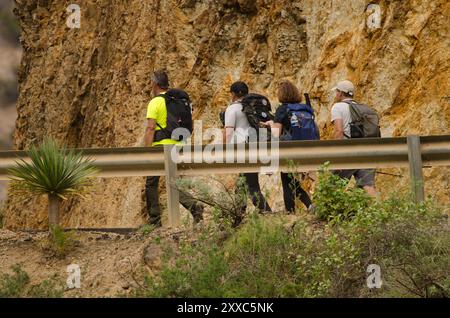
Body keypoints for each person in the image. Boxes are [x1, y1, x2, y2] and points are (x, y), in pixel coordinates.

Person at [144, 70, 204, 226]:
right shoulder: (175, 101)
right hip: (177, 145)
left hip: (161, 147)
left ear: (155, 83)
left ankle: (154, 221)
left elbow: (150, 128)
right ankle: (194, 207)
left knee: (151, 183)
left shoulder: (155, 102)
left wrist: (146, 151)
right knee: (173, 182)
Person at [264, 80, 315, 213]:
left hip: (289, 149)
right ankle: (306, 206)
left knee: (287, 180)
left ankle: (292, 211)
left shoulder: (283, 109)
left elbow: (276, 135)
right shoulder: (305, 108)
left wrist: (271, 161)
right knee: (290, 180)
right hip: (306, 148)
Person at [223, 81, 272, 220]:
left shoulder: (232, 109)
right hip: (255, 146)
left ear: (232, 94)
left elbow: (228, 132)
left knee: (252, 187)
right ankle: (238, 215)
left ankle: (268, 214)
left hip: (243, 149)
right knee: (242, 183)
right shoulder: (253, 107)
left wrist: (224, 151)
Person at [330, 80, 377, 197]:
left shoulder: (337, 107)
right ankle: (381, 212)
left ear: (340, 93)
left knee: (333, 186)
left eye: (336, 92)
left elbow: (338, 131)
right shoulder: (362, 108)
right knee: (368, 186)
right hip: (366, 152)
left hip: (347, 153)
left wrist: (336, 154)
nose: (335, 94)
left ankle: (325, 213)